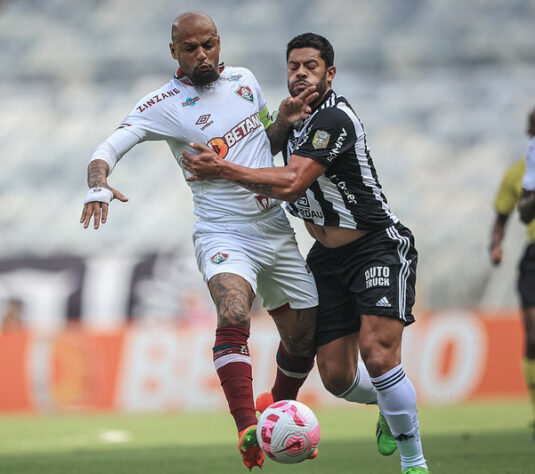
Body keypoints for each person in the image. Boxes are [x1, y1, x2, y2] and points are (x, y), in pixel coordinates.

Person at [79, 12, 320, 470]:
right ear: (174, 52)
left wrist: (284, 122)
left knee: (304, 336)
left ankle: (276, 408)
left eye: (209, 44)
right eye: (191, 48)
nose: (202, 54)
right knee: (232, 313)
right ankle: (248, 428)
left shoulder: (246, 80)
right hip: (222, 232)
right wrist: (98, 183)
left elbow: (263, 146)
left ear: (219, 41)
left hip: (273, 227)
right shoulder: (162, 103)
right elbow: (107, 147)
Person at [182, 32, 428, 473]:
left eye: (311, 66)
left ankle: (414, 463)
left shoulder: (335, 118)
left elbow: (293, 182)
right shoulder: (292, 118)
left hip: (374, 246)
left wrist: (220, 169)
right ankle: (393, 406)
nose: (300, 73)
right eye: (293, 66)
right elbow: (261, 149)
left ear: (329, 73)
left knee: (376, 352)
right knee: (335, 376)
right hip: (326, 258)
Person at [491, 107, 535, 441]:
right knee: (533, 334)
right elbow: (509, 215)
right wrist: (496, 245)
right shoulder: (519, 172)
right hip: (533, 255)